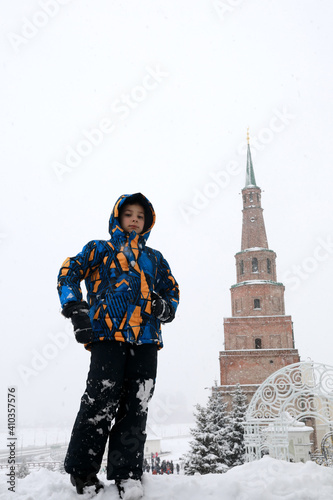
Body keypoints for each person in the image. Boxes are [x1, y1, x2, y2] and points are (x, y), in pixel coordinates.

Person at [57, 193, 179, 498]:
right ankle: (83, 473)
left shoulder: (155, 258)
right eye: (129, 214)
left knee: (136, 404)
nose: (135, 219)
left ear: (147, 221)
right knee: (100, 400)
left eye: (140, 215)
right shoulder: (100, 249)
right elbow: (68, 272)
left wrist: (164, 307)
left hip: (146, 339)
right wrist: (76, 309)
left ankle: (127, 474)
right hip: (108, 337)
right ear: (117, 218)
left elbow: (171, 291)